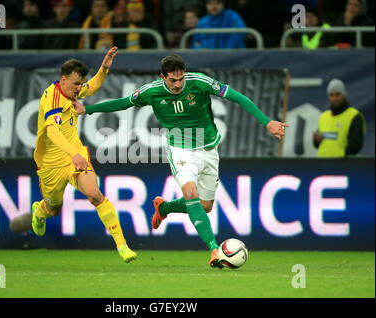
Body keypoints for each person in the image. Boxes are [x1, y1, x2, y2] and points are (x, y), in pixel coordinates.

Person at [74, 54, 288, 268]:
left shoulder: (199, 82)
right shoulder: (151, 91)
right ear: (163, 77)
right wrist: (88, 109)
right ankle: (214, 249)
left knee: (205, 206)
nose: (178, 85)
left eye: (181, 79)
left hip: (209, 150)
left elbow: (237, 97)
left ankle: (164, 208)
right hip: (181, 150)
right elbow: (123, 103)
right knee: (190, 193)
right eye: (172, 80)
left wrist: (266, 122)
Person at [30, 47, 137, 263]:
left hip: (76, 157)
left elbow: (93, 86)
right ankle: (39, 213)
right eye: (76, 84)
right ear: (63, 80)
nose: (80, 89)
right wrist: (71, 153)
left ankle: (122, 246)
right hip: (51, 164)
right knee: (52, 209)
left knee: (94, 194)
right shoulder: (52, 98)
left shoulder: (73, 91)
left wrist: (104, 69)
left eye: (81, 84)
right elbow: (53, 130)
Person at [313, 78, 366, 157]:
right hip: (322, 165)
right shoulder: (324, 117)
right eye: (331, 95)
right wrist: (316, 140)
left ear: (343, 95)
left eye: (338, 94)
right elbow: (319, 144)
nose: (335, 98)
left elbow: (356, 145)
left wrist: (342, 160)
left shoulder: (354, 116)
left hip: (341, 166)